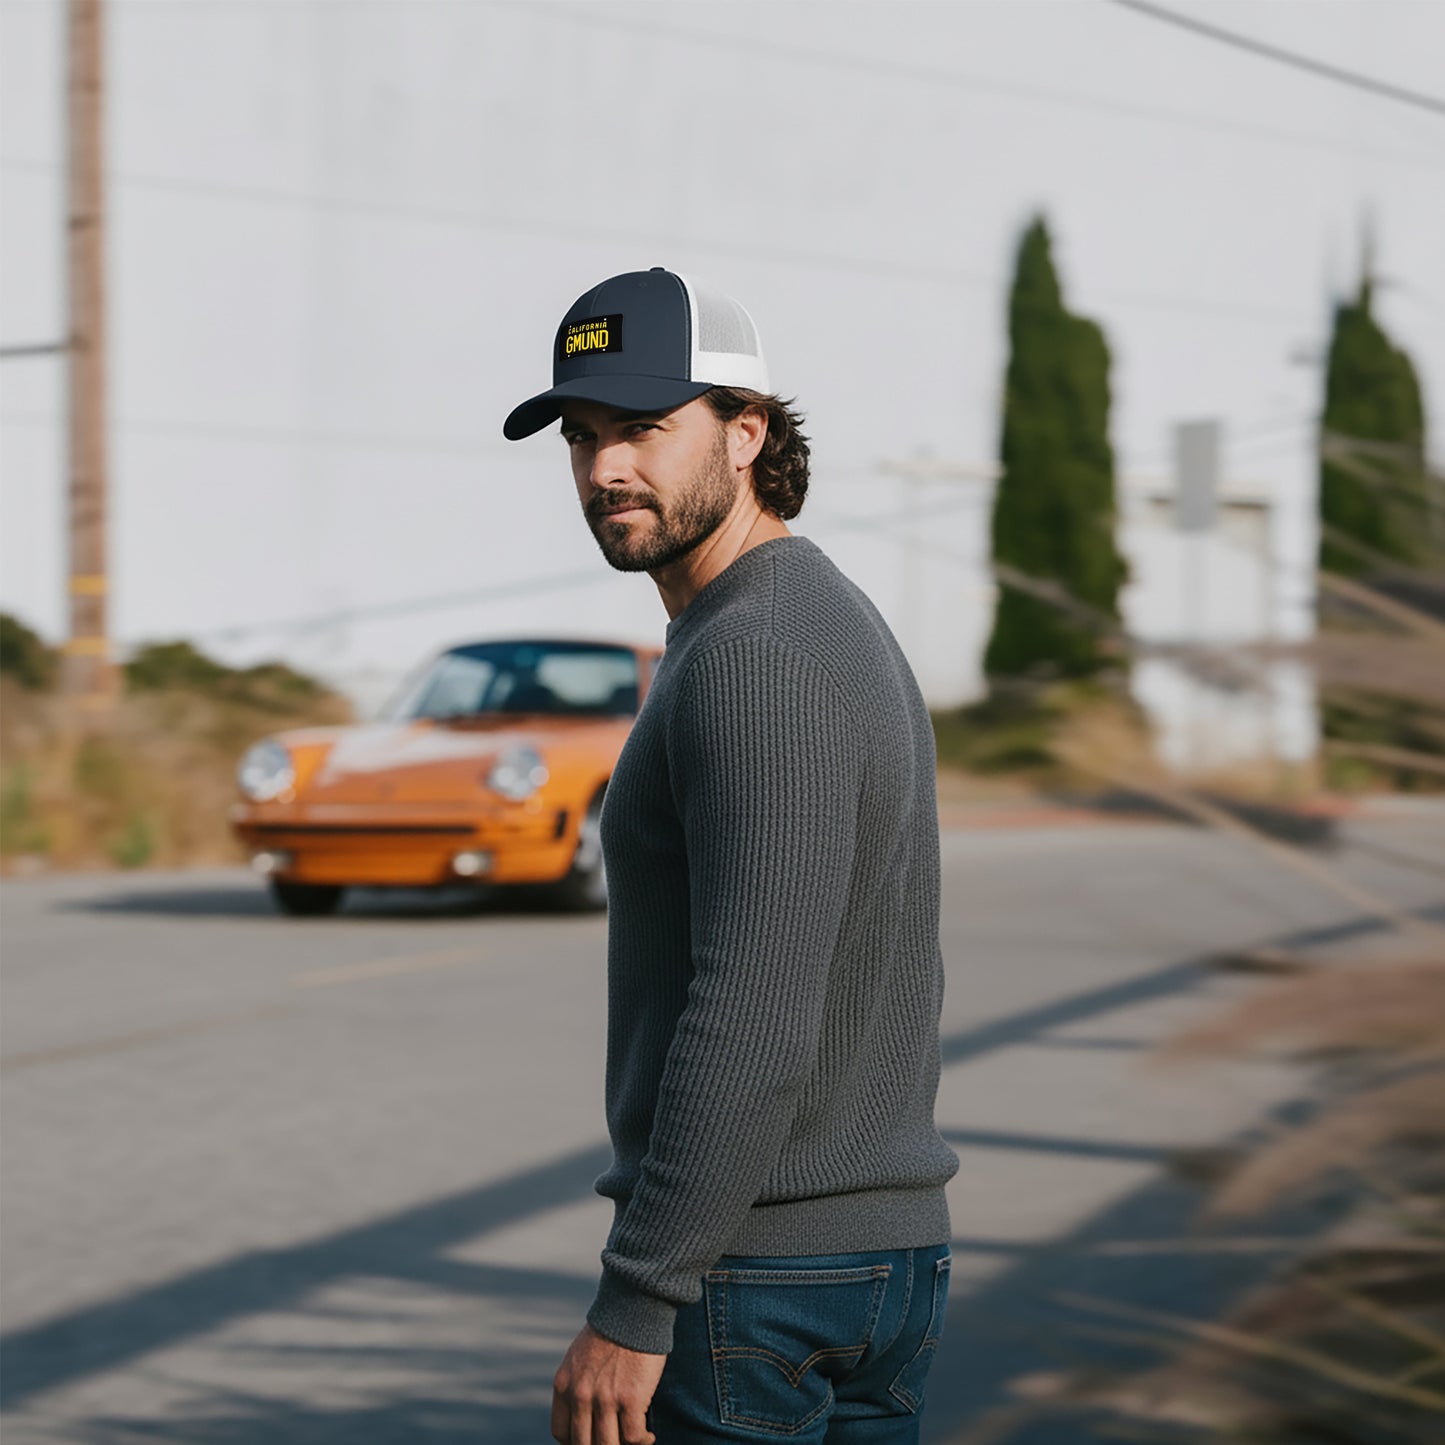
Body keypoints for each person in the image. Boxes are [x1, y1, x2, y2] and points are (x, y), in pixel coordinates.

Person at [504, 268, 960, 1445]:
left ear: (745, 432)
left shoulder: (755, 651)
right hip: (866, 1260)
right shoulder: (812, 617)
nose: (605, 469)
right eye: (583, 435)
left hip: (754, 1282)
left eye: (644, 430)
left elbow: (751, 1007)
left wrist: (637, 1296)